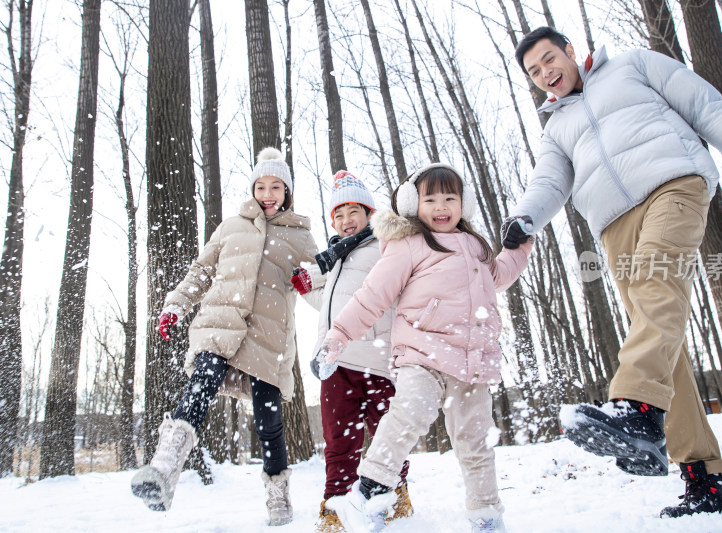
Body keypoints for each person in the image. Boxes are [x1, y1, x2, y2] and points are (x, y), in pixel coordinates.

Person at [503, 26, 722, 518]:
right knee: (663, 345)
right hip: (613, 225)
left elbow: (704, 105)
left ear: (571, 51)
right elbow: (550, 180)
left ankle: (637, 409)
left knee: (658, 289)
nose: (546, 74)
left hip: (672, 185)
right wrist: (526, 216)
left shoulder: (633, 65)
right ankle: (701, 478)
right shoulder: (556, 127)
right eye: (535, 72)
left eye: (550, 59)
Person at [315, 164, 532, 533]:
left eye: (450, 197)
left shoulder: (476, 245)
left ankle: (486, 515)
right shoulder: (408, 245)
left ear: (465, 203)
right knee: (406, 416)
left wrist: (519, 246)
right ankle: (367, 493)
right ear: (414, 204)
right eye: (430, 198)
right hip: (422, 355)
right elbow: (372, 297)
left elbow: (499, 277)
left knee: (475, 440)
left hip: (471, 364)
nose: (441, 206)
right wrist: (338, 336)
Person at [130, 147, 318, 526]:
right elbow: (202, 271)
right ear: (252, 189)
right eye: (261, 186)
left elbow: (320, 280)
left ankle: (278, 494)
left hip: (268, 337)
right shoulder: (231, 226)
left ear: (287, 192)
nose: (268, 194)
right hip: (219, 322)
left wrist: (312, 279)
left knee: (269, 419)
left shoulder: (300, 235)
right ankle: (164, 469)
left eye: (276, 187)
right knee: (201, 384)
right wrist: (175, 306)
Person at [295, 170, 412, 532]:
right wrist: (307, 289)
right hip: (335, 362)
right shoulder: (336, 256)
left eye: (353, 212)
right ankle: (335, 508)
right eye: (339, 215)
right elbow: (336, 303)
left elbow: (386, 295)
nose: (346, 222)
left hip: (377, 361)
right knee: (338, 441)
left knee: (387, 437)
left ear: (369, 213)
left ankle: (396, 497)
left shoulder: (385, 246)